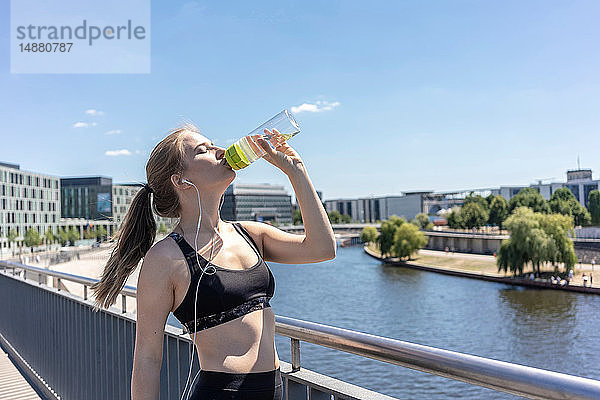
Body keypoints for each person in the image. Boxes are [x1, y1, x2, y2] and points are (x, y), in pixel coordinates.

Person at [89, 124, 336, 400]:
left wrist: (296, 171)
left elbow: (322, 248)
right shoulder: (166, 257)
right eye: (204, 150)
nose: (221, 151)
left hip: (274, 391)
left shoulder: (251, 234)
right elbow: (147, 357)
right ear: (180, 181)